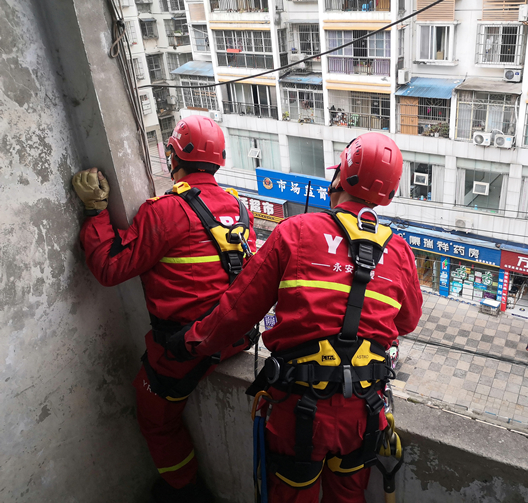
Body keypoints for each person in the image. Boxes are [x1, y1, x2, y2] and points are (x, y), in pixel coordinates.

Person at [166, 133, 423, 503]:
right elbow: (407, 321)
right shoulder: (398, 250)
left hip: (299, 413)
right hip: (363, 413)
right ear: (389, 195)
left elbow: (237, 311)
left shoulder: (296, 232)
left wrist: (190, 342)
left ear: (338, 180)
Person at [72, 115, 257, 503]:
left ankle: (184, 490)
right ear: (218, 160)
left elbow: (109, 268)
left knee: (155, 418)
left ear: (174, 156)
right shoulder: (240, 208)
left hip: (185, 348)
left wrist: (96, 212)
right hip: (236, 336)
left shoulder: (165, 210)